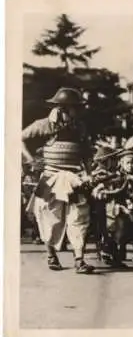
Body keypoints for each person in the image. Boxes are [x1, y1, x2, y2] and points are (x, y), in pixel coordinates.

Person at [21, 87, 95, 274]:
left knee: (78, 217)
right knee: (49, 217)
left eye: (78, 108)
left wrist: (89, 173)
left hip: (74, 179)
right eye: (74, 108)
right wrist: (30, 160)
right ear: (62, 108)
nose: (77, 112)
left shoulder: (80, 127)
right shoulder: (44, 125)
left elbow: (86, 153)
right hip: (51, 178)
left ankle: (79, 260)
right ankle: (51, 255)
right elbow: (19, 138)